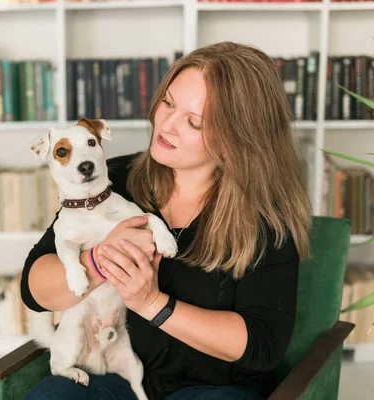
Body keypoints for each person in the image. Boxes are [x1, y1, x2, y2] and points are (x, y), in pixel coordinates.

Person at [19, 41, 312, 400]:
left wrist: (152, 303)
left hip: (216, 390)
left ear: (238, 139)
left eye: (193, 121)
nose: (167, 125)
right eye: (168, 103)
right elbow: (33, 290)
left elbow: (263, 344)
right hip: (113, 374)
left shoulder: (266, 218)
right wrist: (98, 260)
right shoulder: (111, 178)